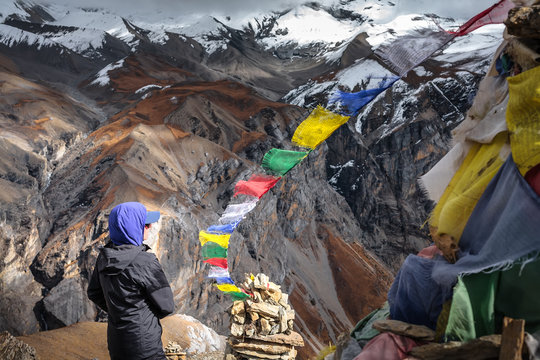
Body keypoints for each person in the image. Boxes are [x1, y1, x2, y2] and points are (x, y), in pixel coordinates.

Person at [88, 202, 174, 360]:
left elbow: (94, 292)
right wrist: (140, 314)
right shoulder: (145, 261)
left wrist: (120, 311)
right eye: (146, 224)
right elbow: (167, 306)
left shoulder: (104, 257)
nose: (150, 227)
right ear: (134, 228)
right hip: (145, 346)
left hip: (117, 343)